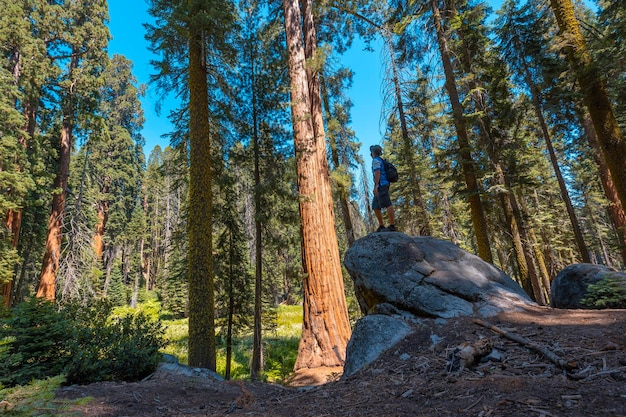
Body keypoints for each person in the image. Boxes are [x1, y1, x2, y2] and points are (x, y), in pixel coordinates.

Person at [370, 145, 396, 232]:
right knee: (375, 206)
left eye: (371, 152)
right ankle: (381, 225)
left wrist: (376, 186)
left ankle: (392, 225)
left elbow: (377, 173)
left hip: (381, 185)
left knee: (387, 203)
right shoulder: (380, 160)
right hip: (383, 184)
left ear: (373, 153)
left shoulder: (376, 161)